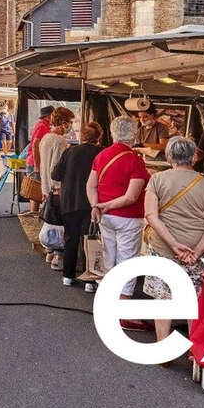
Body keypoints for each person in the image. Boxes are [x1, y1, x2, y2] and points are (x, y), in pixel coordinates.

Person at [143, 136, 204, 354]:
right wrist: (196, 251)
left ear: (169, 156)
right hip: (197, 251)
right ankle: (194, 350)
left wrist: (174, 244)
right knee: (194, 298)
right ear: (194, 157)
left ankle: (163, 348)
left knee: (163, 297)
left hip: (163, 248)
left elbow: (151, 216)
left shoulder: (157, 180)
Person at [87, 115, 151, 330]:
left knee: (109, 257)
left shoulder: (102, 155)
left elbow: (91, 186)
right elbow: (132, 197)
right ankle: (124, 312)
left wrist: (97, 206)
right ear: (134, 135)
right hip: (128, 217)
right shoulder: (135, 160)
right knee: (127, 261)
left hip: (105, 217)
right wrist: (106, 206)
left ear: (113, 133)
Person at [52, 120, 104, 291]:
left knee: (71, 239)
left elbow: (56, 174)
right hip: (92, 203)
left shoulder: (70, 151)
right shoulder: (102, 153)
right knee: (90, 240)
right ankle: (90, 280)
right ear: (99, 137)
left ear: (82, 135)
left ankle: (68, 275)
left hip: (70, 201)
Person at [38, 106, 75, 269]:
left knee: (50, 218)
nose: (71, 126)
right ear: (64, 122)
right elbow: (57, 168)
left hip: (46, 186)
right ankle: (58, 257)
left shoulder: (46, 138)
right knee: (60, 222)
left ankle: (49, 252)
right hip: (57, 188)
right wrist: (59, 187)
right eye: (71, 122)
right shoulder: (60, 141)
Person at [24, 105, 55, 218]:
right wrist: (37, 165)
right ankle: (34, 215)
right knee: (36, 192)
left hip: (36, 162)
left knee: (37, 191)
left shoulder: (44, 126)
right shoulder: (42, 126)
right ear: (48, 116)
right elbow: (36, 144)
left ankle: (35, 215)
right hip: (35, 162)